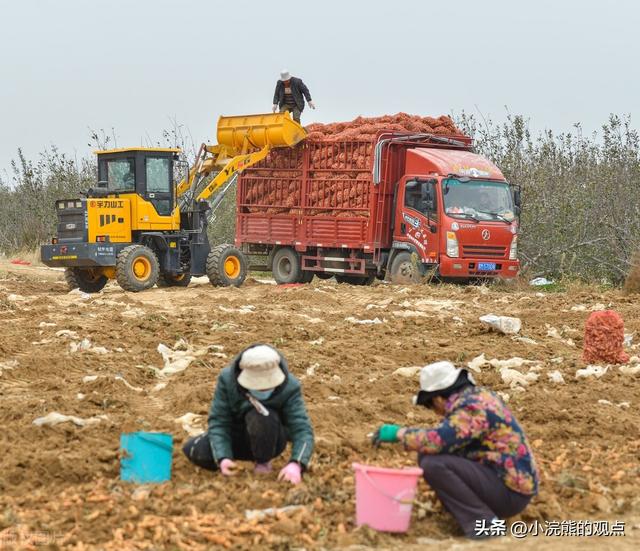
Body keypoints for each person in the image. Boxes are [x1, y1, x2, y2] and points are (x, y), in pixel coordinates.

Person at [372, 361, 539, 539]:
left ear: (438, 399)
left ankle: (485, 526)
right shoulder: (478, 397)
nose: (435, 412)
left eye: (431, 406)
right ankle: (485, 520)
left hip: (510, 491)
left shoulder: (472, 408)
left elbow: (439, 440)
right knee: (433, 457)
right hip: (509, 483)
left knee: (432, 463)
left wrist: (399, 433)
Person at [183, 344, 314, 484]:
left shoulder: (289, 386)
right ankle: (229, 460)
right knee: (193, 449)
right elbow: (219, 421)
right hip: (238, 434)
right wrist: (223, 458)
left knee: (260, 416)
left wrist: (297, 463)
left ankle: (263, 462)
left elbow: (302, 429)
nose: (263, 390)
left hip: (271, 436)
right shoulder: (228, 380)